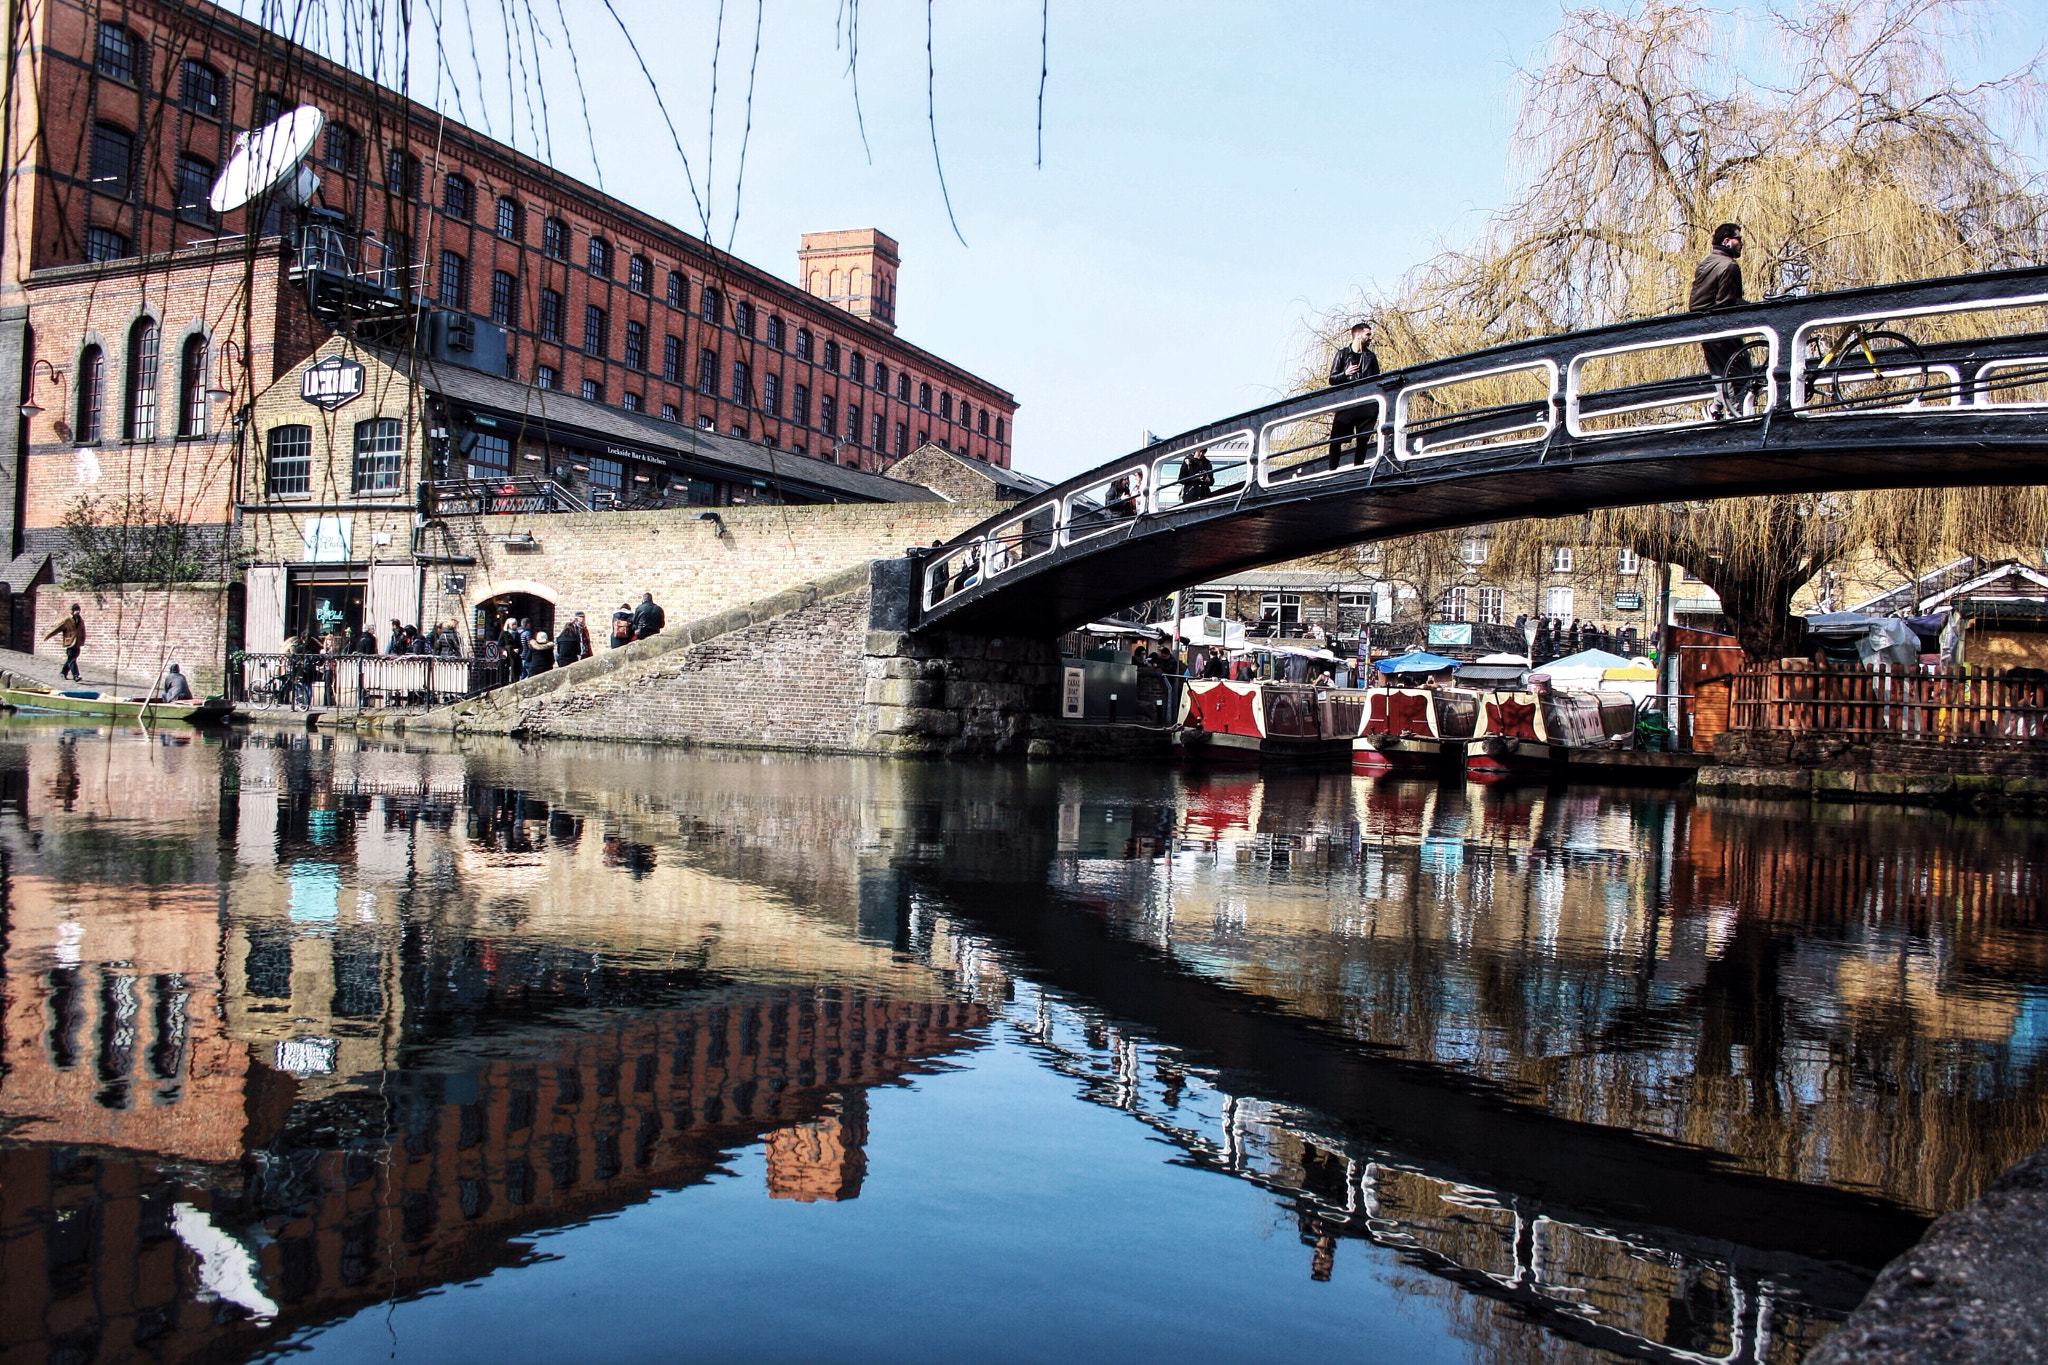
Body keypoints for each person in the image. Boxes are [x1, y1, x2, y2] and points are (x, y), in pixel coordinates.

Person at [1690, 222, 1756, 416]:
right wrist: (1753, 309)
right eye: (1739, 239)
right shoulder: (1729, 266)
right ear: (1727, 241)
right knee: (1741, 372)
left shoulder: (1706, 261)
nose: (1742, 244)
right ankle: (1735, 414)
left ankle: (1715, 408)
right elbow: (1726, 303)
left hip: (1702, 326)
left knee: (1721, 373)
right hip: (1720, 327)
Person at [1326, 319, 1380, 465]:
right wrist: (1345, 373)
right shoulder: (1343, 354)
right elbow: (1332, 378)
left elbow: (1377, 379)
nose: (1370, 337)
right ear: (1358, 335)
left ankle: (1359, 467)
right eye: (1367, 334)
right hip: (1347, 402)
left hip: (1366, 404)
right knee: (1336, 439)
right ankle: (1332, 471)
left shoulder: (1371, 357)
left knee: (1363, 440)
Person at [44, 603, 86, 681]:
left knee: (71, 659)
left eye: (78, 610)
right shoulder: (67, 620)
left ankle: (63, 672)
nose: (78, 612)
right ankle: (76, 675)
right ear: (73, 611)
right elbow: (57, 628)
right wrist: (48, 635)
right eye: (76, 610)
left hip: (77, 643)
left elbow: (83, 631)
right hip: (70, 643)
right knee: (72, 659)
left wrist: (82, 641)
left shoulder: (80, 620)